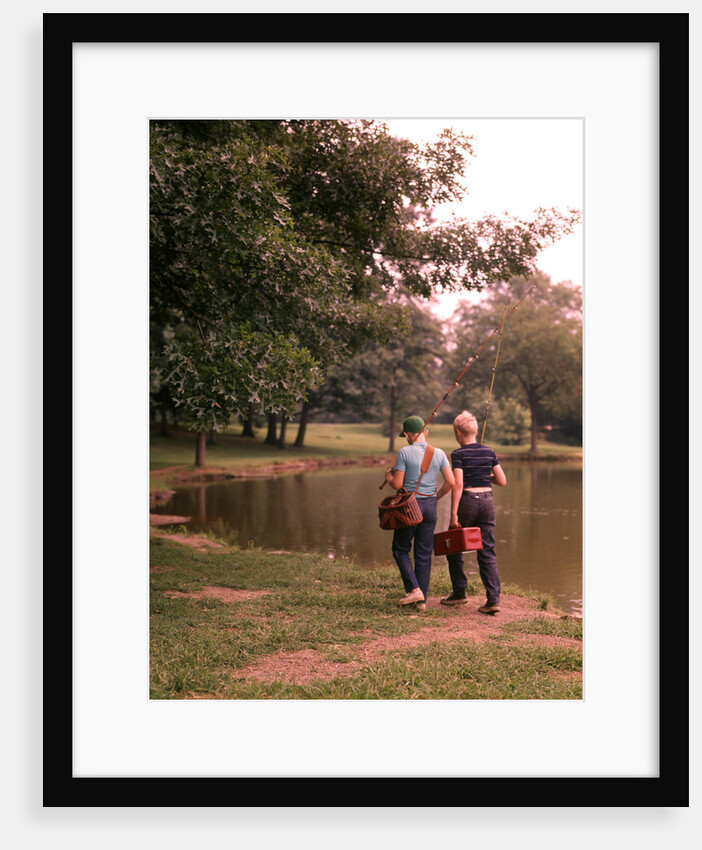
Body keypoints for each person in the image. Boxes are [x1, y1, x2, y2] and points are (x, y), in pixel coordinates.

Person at [384, 415, 455, 611]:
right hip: (430, 505)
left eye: (404, 435)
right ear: (426, 432)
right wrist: (435, 498)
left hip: (409, 507)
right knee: (423, 554)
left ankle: (414, 589)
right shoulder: (439, 453)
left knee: (400, 549)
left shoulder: (404, 452)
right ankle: (421, 601)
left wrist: (388, 476)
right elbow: (451, 482)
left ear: (407, 434)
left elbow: (397, 484)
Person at [441, 410, 507, 614]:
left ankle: (459, 592)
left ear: (458, 433)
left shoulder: (458, 454)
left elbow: (458, 483)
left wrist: (453, 515)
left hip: (468, 500)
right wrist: (486, 477)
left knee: (453, 545)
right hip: (487, 501)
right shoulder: (490, 451)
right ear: (475, 431)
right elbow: (502, 481)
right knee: (487, 551)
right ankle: (493, 600)